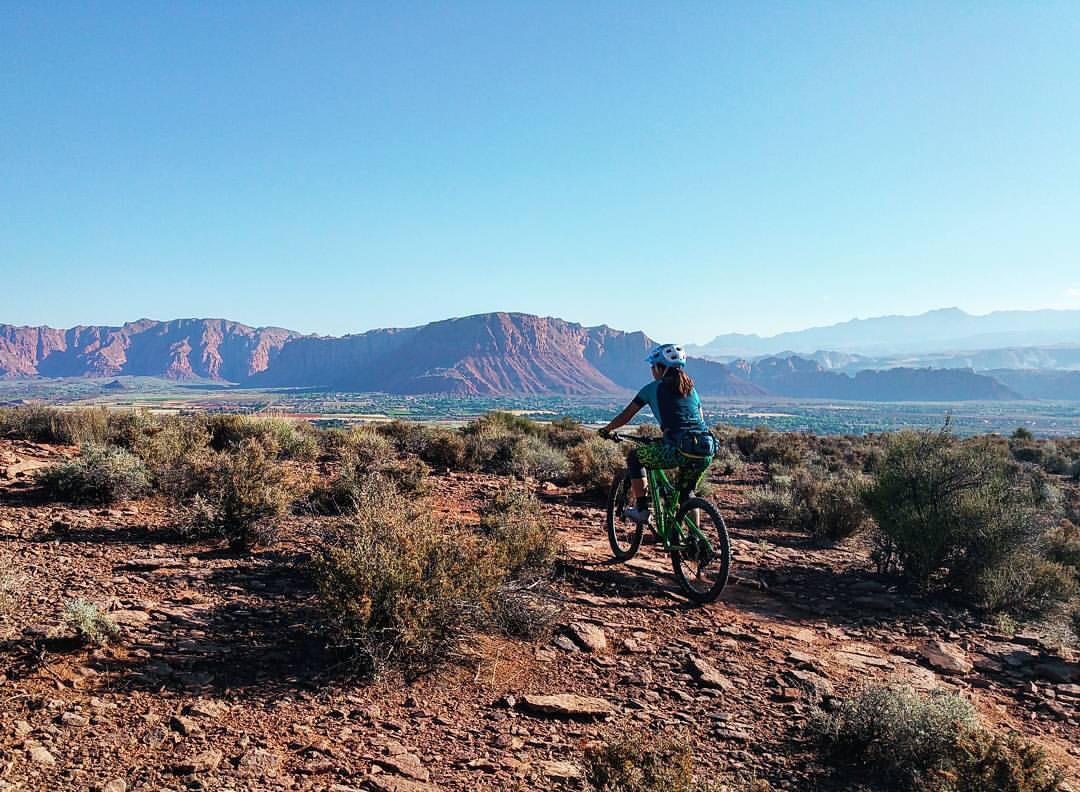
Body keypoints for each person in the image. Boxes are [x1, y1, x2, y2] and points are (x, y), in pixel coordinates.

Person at [599, 344, 717, 523]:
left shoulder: (652, 388)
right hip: (705, 448)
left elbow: (626, 415)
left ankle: (642, 510)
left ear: (659, 368)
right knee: (688, 494)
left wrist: (607, 429)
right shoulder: (691, 390)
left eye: (652, 367)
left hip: (677, 448)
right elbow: (699, 418)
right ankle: (694, 541)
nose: (652, 371)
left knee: (635, 457)